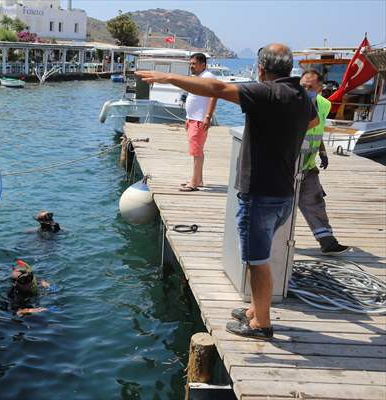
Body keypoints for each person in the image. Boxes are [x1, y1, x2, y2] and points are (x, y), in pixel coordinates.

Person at [136, 44, 318, 339]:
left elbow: (217, 87)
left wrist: (168, 78)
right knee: (262, 254)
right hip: (284, 193)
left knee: (257, 261)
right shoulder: (299, 95)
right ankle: (254, 311)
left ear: (261, 69)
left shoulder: (267, 93)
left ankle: (262, 324)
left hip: (260, 194)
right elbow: (313, 121)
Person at [299, 70, 350, 255]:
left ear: (320, 88)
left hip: (309, 165)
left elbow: (318, 130)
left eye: (310, 87)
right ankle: (268, 242)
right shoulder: (292, 103)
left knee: (315, 201)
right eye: (302, 86)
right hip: (287, 165)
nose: (305, 90)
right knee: (281, 208)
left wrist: (322, 151)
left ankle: (327, 241)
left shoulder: (325, 105)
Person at [181, 53, 218, 192]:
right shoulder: (198, 77)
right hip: (193, 119)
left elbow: (215, 96)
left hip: (199, 119)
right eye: (190, 63)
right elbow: (193, 97)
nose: (191, 66)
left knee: (196, 152)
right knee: (197, 151)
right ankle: (199, 179)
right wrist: (188, 118)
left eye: (194, 64)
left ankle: (194, 182)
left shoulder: (208, 77)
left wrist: (208, 116)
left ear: (203, 64)